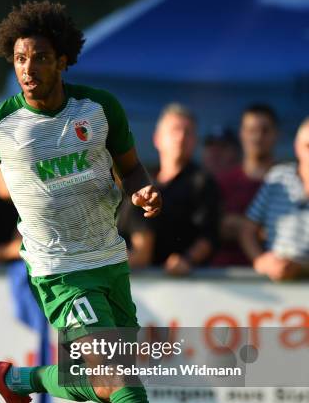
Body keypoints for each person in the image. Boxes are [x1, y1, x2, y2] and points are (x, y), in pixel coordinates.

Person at [0, 0, 227, 403]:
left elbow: (133, 168)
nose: (28, 69)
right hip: (58, 272)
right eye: (21, 59)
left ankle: (18, 380)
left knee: (104, 382)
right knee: (119, 379)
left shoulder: (98, 109)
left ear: (64, 60)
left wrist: (144, 193)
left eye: (40, 58)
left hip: (110, 263)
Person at [122, 104, 220, 274]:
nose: (181, 137)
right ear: (157, 138)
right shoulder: (140, 181)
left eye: (188, 132)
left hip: (182, 281)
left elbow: (209, 235)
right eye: (175, 130)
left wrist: (188, 259)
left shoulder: (202, 182)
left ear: (195, 141)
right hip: (134, 278)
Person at [240, 117, 309, 280]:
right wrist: (260, 261)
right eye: (308, 146)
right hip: (274, 286)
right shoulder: (278, 178)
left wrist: (301, 269)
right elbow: (247, 230)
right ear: (297, 147)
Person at [212, 104, 278, 266]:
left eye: (265, 130)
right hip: (225, 277)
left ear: (276, 134)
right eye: (251, 130)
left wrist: (238, 225)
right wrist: (259, 230)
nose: (257, 137)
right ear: (242, 134)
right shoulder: (222, 182)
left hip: (282, 278)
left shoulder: (289, 183)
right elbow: (213, 229)